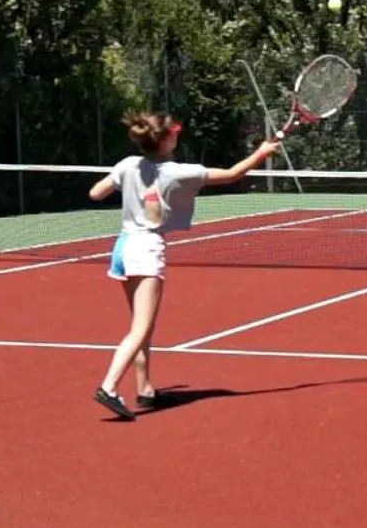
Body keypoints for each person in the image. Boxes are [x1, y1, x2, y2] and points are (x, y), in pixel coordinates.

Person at [88, 113, 279, 421]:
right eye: (174, 132)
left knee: (142, 325)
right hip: (146, 248)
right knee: (141, 328)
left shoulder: (127, 165)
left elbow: (95, 193)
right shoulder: (177, 173)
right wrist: (261, 153)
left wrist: (130, 185)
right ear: (164, 140)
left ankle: (145, 389)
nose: (178, 135)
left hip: (122, 247)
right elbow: (232, 174)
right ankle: (109, 386)